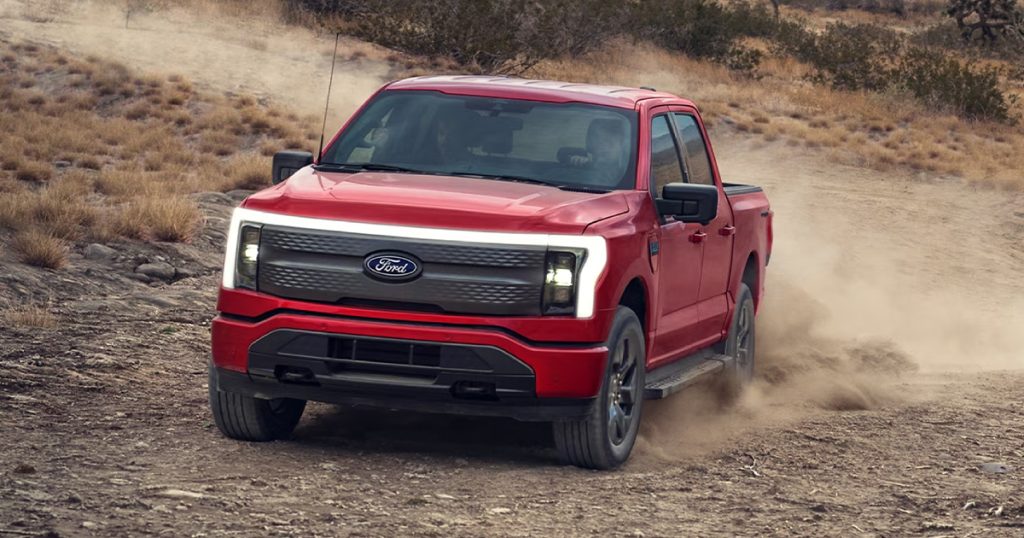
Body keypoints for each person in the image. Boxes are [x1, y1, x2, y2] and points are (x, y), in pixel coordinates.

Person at [569, 118, 629, 187]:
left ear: (622, 147)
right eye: (600, 141)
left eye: (610, 142)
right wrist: (579, 164)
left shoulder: (624, 174)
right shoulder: (583, 164)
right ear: (590, 144)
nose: (604, 147)